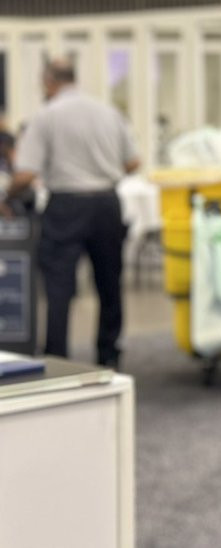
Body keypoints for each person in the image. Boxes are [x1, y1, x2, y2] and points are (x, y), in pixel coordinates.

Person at [10, 59, 139, 367]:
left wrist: (7, 195)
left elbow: (26, 173)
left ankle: (58, 359)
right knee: (109, 282)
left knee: (59, 287)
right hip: (106, 204)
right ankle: (109, 356)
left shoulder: (46, 116)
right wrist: (103, 172)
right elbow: (133, 162)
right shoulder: (108, 112)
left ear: (48, 81)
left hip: (66, 205)